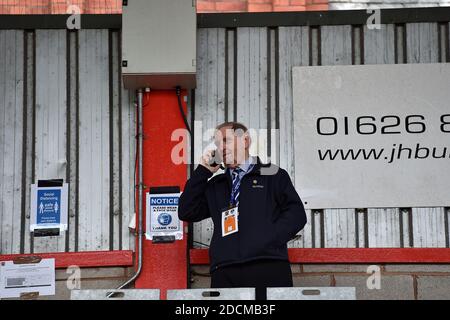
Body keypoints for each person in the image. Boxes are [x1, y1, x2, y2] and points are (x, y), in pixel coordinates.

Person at [178, 121, 307, 300]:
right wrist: (203, 171)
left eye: (226, 140)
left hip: (267, 265)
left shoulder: (273, 174)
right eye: (217, 143)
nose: (220, 147)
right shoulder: (216, 185)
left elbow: (297, 214)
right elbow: (186, 211)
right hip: (224, 270)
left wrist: (268, 238)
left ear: (245, 141)